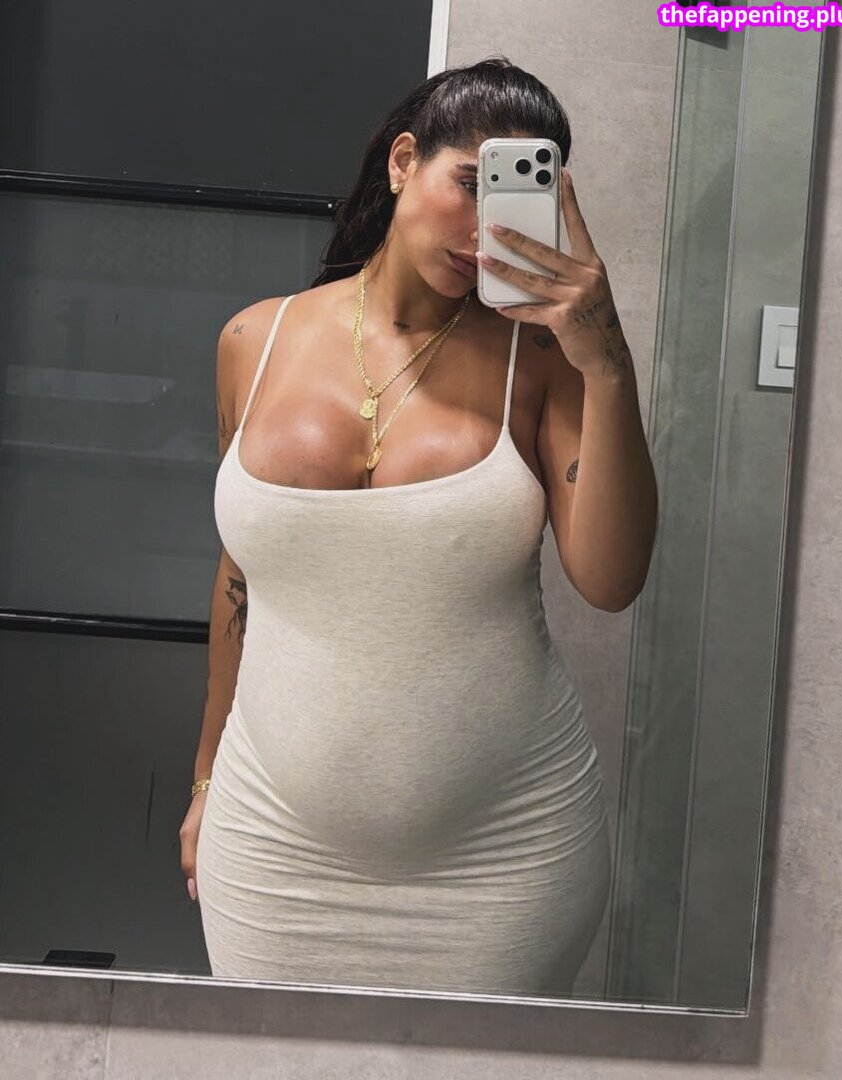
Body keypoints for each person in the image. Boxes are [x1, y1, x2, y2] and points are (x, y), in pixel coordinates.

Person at [178, 56, 657, 997]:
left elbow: (612, 581)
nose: (485, 230)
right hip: (272, 845)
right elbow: (240, 579)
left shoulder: (544, 361)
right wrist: (203, 781)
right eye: (469, 184)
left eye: (513, 199)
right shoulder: (253, 342)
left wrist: (606, 362)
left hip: (505, 856)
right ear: (404, 162)